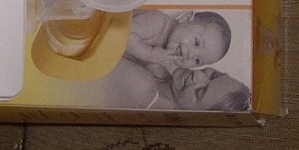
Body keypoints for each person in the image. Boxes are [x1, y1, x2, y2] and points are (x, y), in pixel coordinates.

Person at [88, 56, 251, 111]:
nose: (197, 75)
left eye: (200, 92)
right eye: (214, 75)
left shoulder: (142, 86)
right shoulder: (163, 76)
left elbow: (94, 57)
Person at [125, 9, 231, 69]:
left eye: (197, 61)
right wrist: (150, 54)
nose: (191, 55)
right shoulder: (157, 22)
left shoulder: (164, 55)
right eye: (196, 43)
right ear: (185, 19)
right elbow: (125, 34)